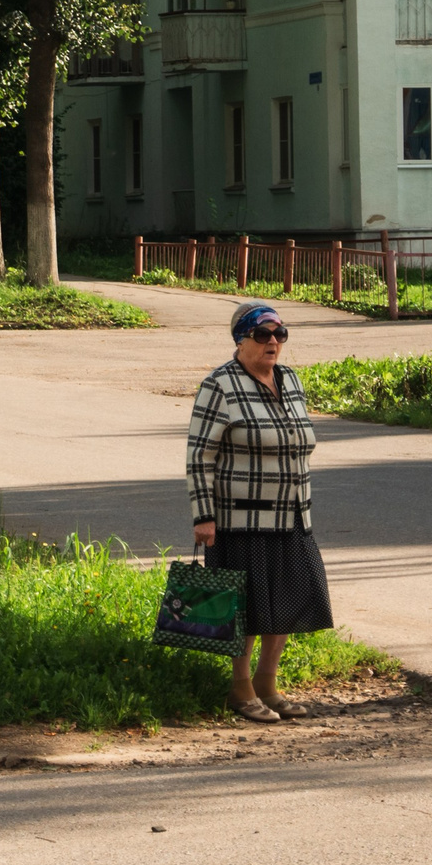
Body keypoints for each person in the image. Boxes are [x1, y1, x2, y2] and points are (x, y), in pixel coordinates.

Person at [188, 301, 333, 722]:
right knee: (245, 608)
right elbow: (200, 455)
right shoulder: (220, 384)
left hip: (293, 514)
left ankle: (267, 683)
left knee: (287, 600)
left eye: (279, 334)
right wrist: (203, 515)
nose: (273, 342)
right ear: (241, 340)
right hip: (241, 519)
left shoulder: (290, 380)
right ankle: (240, 688)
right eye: (262, 334)